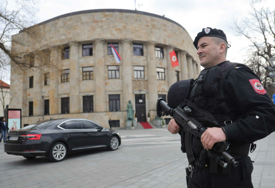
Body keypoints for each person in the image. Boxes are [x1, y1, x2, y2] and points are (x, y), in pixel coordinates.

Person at [167, 27, 275, 188]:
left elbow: (268, 116)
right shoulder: (199, 82)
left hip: (228, 172)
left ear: (221, 47)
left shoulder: (237, 74)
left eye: (203, 46)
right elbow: (204, 120)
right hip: (198, 172)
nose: (198, 51)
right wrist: (179, 125)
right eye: (197, 47)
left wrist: (225, 132)